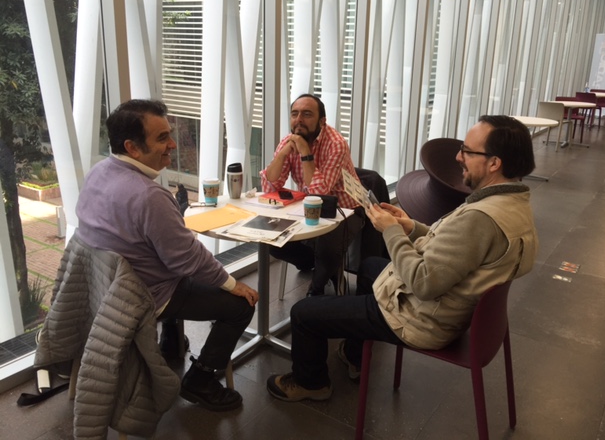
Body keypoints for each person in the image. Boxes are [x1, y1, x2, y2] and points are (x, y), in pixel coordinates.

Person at [266, 115, 539, 401]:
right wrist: (410, 227)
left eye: (467, 151)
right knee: (370, 266)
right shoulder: (511, 204)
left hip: (421, 318)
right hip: (448, 303)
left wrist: (391, 231)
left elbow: (423, 283)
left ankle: (311, 383)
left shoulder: (480, 218)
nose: (459, 157)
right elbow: (458, 247)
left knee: (304, 312)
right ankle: (355, 353)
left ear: (494, 163)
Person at [75, 99, 259, 411]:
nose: (172, 144)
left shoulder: (98, 172)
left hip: (104, 288)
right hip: (144, 295)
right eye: (162, 138)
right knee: (240, 305)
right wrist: (233, 284)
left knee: (171, 269)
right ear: (132, 148)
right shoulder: (149, 196)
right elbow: (187, 259)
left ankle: (172, 343)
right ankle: (200, 380)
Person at [261, 93, 364, 295]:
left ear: (322, 121)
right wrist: (283, 154)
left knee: (327, 247)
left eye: (307, 114)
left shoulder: (336, 144)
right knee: (274, 242)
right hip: (309, 207)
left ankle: (316, 291)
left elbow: (320, 193)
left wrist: (306, 153)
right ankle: (322, 266)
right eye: (295, 114)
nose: (299, 120)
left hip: (346, 209)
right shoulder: (289, 141)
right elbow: (270, 187)